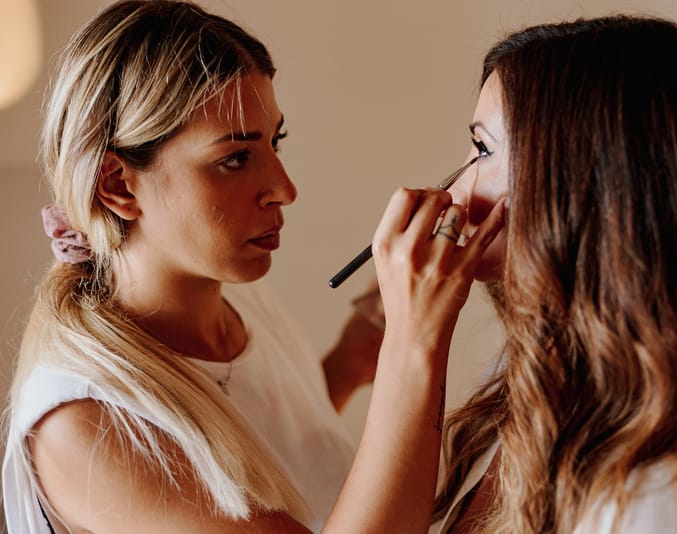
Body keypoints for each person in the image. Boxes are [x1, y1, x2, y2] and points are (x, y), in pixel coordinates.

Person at [2, 1, 506, 533]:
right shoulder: (87, 426)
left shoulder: (239, 302)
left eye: (275, 141)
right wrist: (416, 338)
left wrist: (345, 366)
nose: (284, 189)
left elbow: (244, 448)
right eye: (235, 159)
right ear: (117, 185)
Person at [428, 15, 677, 534]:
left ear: (582, 182)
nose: (454, 191)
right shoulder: (533, 387)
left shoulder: (658, 493)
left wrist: (414, 341)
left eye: (483, 149)